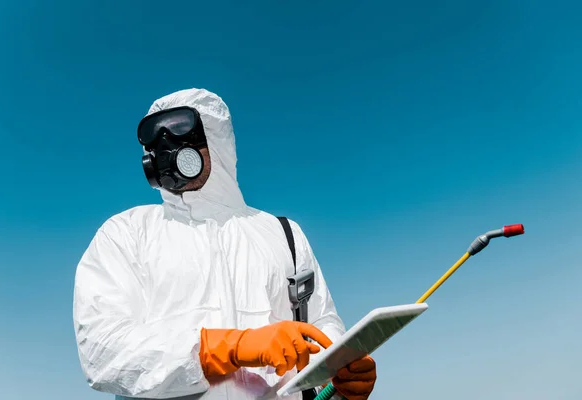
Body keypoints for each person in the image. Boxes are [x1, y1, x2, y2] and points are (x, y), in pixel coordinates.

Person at [73, 88, 377, 400]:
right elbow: (102, 349)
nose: (166, 148)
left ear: (216, 141)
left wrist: (343, 377)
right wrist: (221, 349)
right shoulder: (127, 233)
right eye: (155, 140)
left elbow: (321, 326)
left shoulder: (284, 233)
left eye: (180, 131)